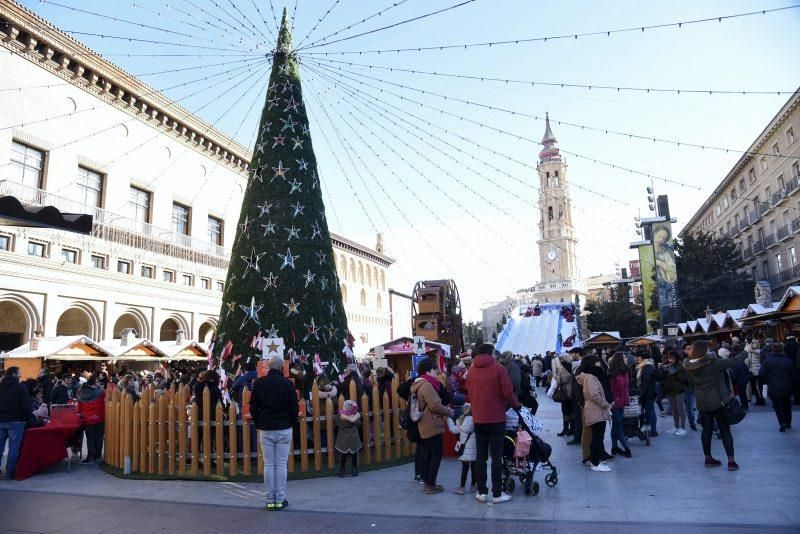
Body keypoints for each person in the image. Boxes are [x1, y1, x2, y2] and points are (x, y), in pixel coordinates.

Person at [466, 343, 520, 504]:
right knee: (497, 457)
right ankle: (497, 493)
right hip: (496, 418)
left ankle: (481, 492)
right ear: (490, 353)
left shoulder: (471, 371)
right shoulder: (499, 369)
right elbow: (508, 392)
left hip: (479, 419)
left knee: (480, 456)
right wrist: (517, 405)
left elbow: (470, 393)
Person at [683, 340, 746, 471]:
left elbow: (691, 384)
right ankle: (731, 461)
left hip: (702, 402)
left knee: (706, 429)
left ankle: (708, 459)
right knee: (725, 430)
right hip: (718, 401)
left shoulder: (689, 367)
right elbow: (733, 361)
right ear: (704, 350)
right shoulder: (713, 362)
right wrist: (746, 351)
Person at [250, 355, 298, 511]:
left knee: (269, 465)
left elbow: (253, 408)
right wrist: (291, 423)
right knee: (281, 464)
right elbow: (294, 408)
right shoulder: (287, 384)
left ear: (269, 367)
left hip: (266, 428)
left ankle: (270, 500)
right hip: (284, 427)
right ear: (280, 367)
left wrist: (259, 424)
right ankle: (280, 499)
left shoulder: (258, 384)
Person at [410, 359, 453, 494]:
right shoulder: (427, 385)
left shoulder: (419, 383)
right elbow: (435, 406)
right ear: (428, 371)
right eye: (435, 370)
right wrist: (449, 411)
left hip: (426, 423)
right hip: (431, 423)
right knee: (436, 454)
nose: (437, 373)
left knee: (429, 454)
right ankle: (431, 484)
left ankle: (428, 483)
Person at [576, 355, 613, 472]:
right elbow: (594, 395)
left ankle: (594, 460)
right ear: (592, 364)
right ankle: (596, 463)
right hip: (595, 410)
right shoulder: (590, 377)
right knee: (597, 437)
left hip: (592, 409)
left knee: (596, 436)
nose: (599, 364)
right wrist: (605, 404)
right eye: (597, 363)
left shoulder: (586, 376)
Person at [0, 367, 31, 479]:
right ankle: (9, 473)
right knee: (14, 448)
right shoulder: (20, 387)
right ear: (14, 374)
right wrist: (28, 418)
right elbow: (26, 405)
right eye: (19, 373)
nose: (20, 375)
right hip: (16, 421)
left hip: (1, 420)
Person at [759, 343, 795, 431]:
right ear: (782, 350)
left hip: (773, 386)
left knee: (777, 406)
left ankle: (782, 422)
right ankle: (788, 422)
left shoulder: (767, 361)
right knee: (787, 405)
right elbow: (794, 375)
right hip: (786, 387)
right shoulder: (788, 361)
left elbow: (761, 374)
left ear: (773, 350)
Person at [447, 403, 476, 495]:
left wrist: (448, 419)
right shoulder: (477, 421)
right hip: (475, 450)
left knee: (465, 468)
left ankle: (462, 487)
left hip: (465, 450)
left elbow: (453, 429)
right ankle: (473, 485)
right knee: (474, 467)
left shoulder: (461, 421)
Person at [76, 376, 105, 464]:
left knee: (90, 438)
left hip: (88, 420)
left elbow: (79, 410)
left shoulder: (81, 396)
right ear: (93, 385)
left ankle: (91, 457)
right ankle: (98, 456)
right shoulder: (100, 392)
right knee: (99, 437)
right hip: (100, 418)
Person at [608, 352, 632, 458]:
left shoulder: (625, 371)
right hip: (614, 403)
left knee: (616, 425)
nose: (626, 358)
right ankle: (626, 448)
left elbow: (626, 387)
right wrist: (611, 401)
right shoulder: (612, 373)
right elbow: (610, 389)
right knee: (618, 426)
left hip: (622, 401)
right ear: (620, 360)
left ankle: (614, 447)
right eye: (624, 357)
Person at [660, 351, 689, 436]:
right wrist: (663, 371)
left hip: (678, 390)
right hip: (669, 391)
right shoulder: (665, 365)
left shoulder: (680, 366)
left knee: (681, 409)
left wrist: (675, 373)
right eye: (669, 358)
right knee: (674, 410)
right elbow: (661, 378)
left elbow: (684, 379)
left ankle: (683, 428)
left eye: (672, 358)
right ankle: (676, 426)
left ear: (676, 358)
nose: (670, 360)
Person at [333, 400, 362, 476]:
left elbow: (334, 419)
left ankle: (342, 470)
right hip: (353, 437)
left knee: (343, 454)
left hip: (343, 438)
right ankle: (354, 470)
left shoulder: (340, 417)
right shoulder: (355, 418)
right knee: (354, 453)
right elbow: (359, 424)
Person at [635, 352, 659, 436]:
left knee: (650, 411)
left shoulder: (647, 367)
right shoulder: (645, 366)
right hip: (648, 392)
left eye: (638, 357)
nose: (637, 359)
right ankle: (648, 428)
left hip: (648, 393)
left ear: (643, 358)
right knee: (647, 412)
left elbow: (646, 382)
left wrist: (642, 394)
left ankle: (653, 430)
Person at [550, 354, 574, 438]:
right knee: (568, 411)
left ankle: (567, 429)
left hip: (567, 393)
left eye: (562, 359)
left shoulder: (567, 368)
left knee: (567, 411)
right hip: (567, 393)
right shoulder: (564, 367)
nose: (560, 360)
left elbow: (563, 380)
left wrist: (556, 377)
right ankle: (569, 429)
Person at [745, 340, 765, 406]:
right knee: (760, 386)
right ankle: (763, 398)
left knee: (754, 387)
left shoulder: (750, 352)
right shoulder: (761, 352)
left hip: (753, 371)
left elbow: (748, 361)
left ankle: (758, 400)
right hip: (760, 370)